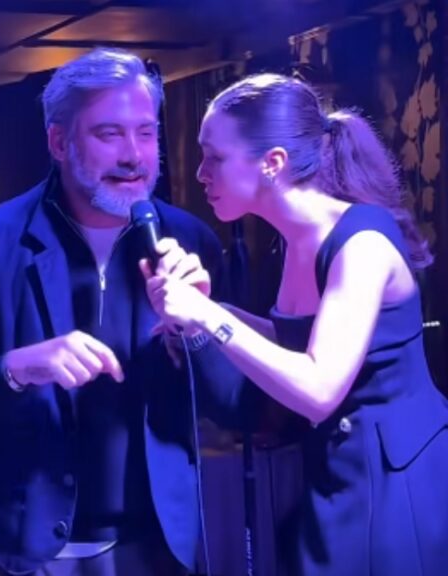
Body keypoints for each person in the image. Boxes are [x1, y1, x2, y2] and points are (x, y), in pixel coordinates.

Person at [0, 47, 250, 576]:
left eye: (146, 133)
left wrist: (194, 331)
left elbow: (231, 408)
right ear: (59, 142)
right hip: (9, 551)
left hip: (153, 549)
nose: (134, 156)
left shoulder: (190, 240)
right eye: (110, 134)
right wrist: (17, 368)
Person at [142, 73, 448, 575]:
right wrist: (206, 310)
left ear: (272, 163)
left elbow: (318, 389)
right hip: (339, 471)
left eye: (214, 157)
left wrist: (209, 316)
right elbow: (295, 342)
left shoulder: (362, 245)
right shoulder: (299, 237)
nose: (200, 173)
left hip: (396, 482)